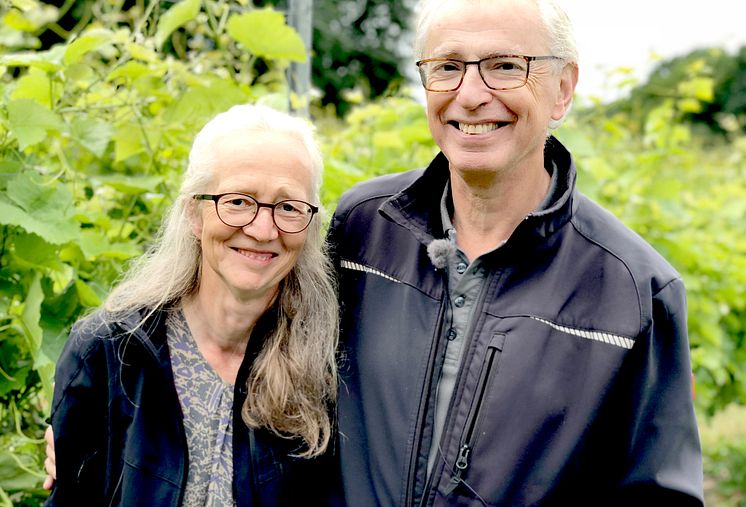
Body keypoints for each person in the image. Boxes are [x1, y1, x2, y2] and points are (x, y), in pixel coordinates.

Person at [326, 0, 704, 505]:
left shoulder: (633, 291)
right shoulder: (362, 229)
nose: (472, 95)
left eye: (505, 66)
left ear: (562, 90)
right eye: (448, 67)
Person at [43, 104, 339, 506]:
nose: (263, 229)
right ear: (194, 214)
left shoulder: (329, 365)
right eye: (238, 201)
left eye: (288, 207)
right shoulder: (110, 351)